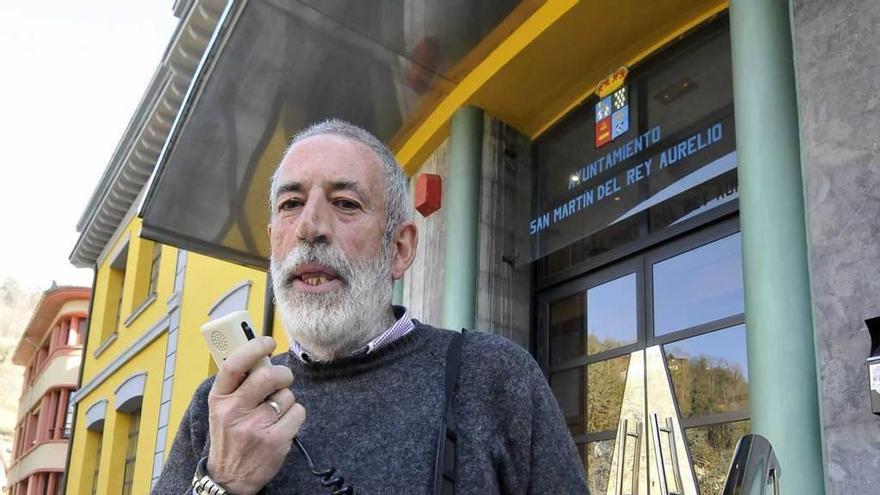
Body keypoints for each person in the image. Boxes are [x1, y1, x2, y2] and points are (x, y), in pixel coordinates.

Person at [153, 120, 588, 494]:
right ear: (273, 242)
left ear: (399, 249)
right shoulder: (220, 405)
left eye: (345, 203)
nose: (310, 227)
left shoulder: (495, 377)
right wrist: (221, 481)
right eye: (291, 204)